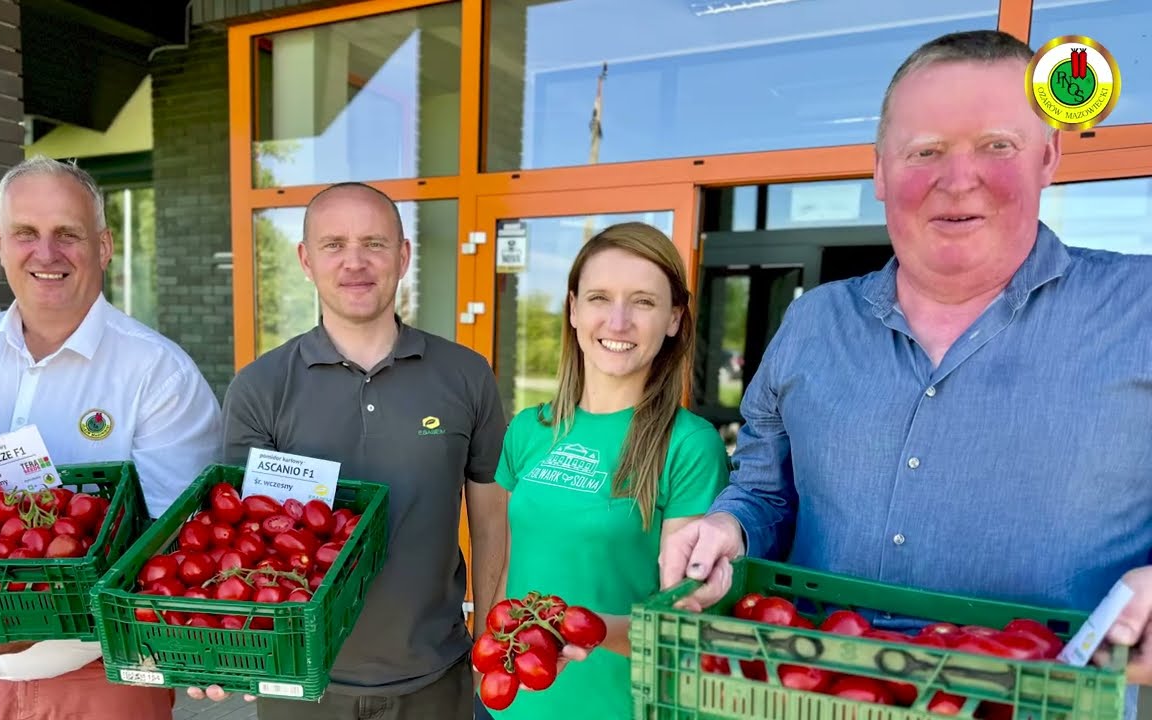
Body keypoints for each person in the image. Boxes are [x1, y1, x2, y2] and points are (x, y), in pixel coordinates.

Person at [658, 29, 1152, 691]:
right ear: (882, 171)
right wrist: (728, 526)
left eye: (997, 145)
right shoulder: (813, 322)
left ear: (1048, 155)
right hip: (818, 699)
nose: (959, 179)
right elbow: (766, 493)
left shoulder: (1140, 310)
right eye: (927, 151)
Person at [0, 155, 223, 719]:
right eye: (25, 233)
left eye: (68, 234)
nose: (46, 253)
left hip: (102, 683)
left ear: (104, 246)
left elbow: (177, 540)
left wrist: (36, 618)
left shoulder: (157, 371)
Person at [190, 181, 509, 719]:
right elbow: (244, 539)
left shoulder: (466, 375)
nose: (355, 262)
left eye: (375, 244)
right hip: (300, 678)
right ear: (306, 260)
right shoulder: (260, 386)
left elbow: (490, 519)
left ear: (403, 256)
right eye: (334, 244)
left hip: (434, 672)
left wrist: (493, 632)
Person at [484, 223, 730, 719]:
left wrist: (584, 630)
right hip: (511, 707)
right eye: (599, 297)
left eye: (642, 302)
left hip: (620, 707)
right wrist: (487, 666)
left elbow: (680, 617)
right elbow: (510, 566)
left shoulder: (690, 444)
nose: (618, 322)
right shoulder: (530, 429)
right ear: (573, 309)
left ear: (674, 318)